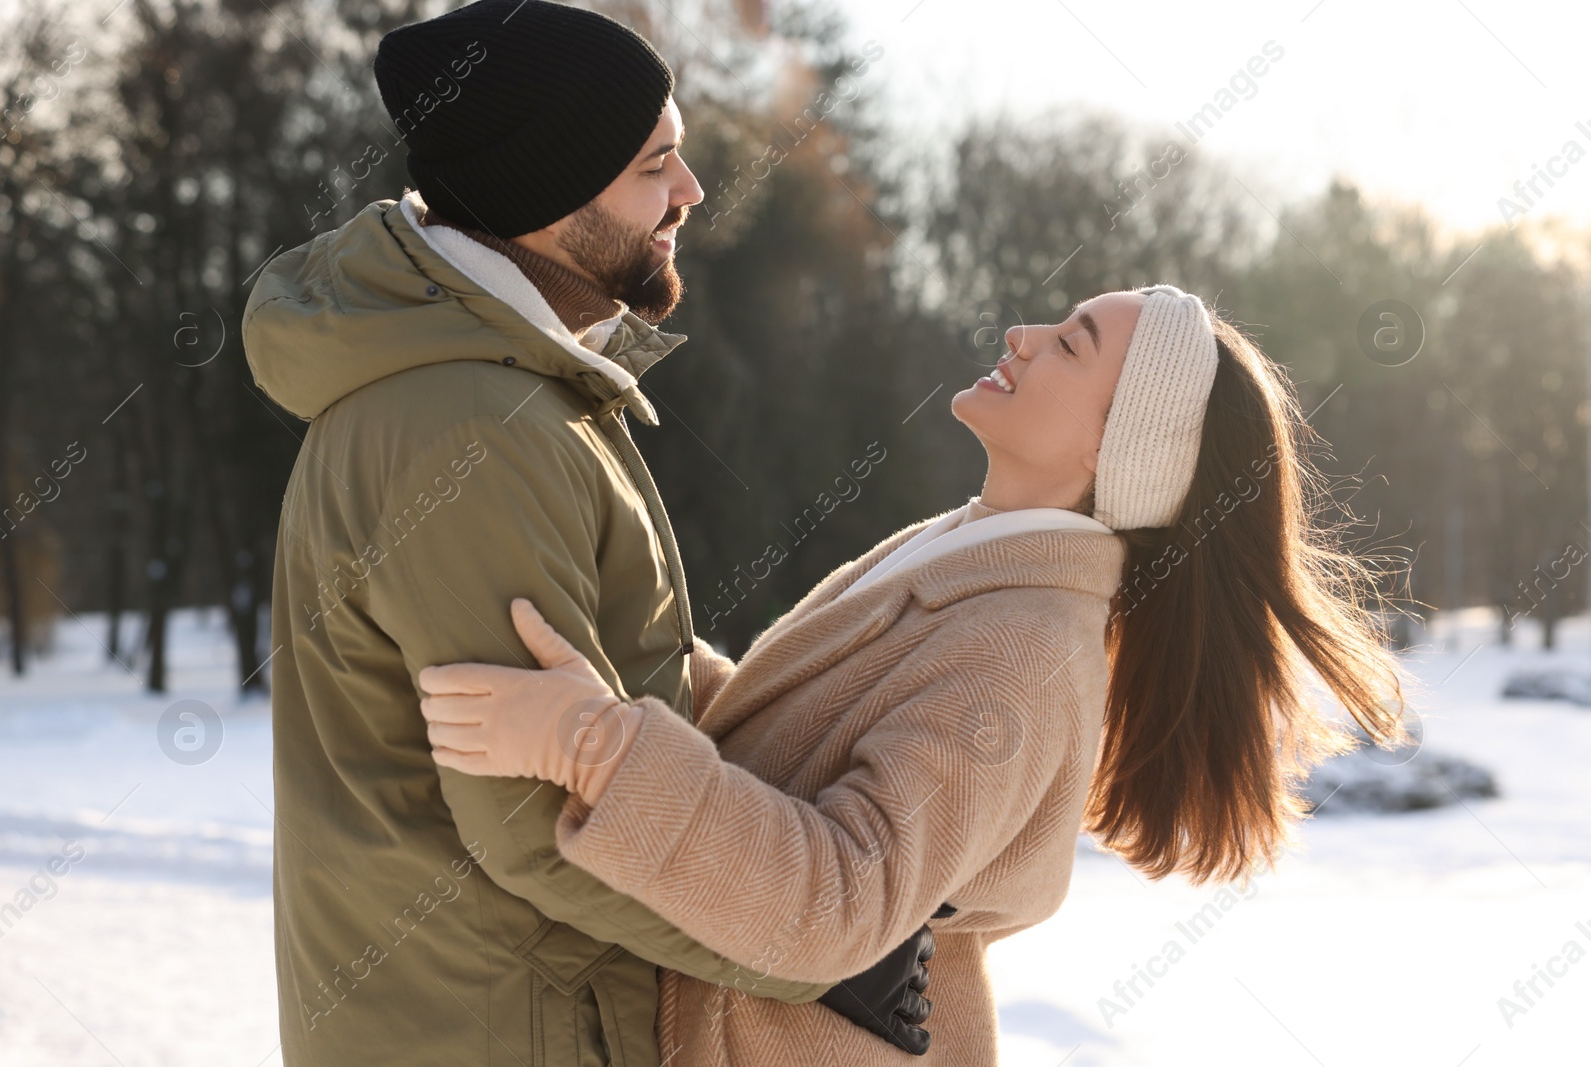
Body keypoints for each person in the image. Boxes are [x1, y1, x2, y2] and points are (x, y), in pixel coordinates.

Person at [420, 284, 1411, 1064]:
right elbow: (797, 754)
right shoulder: (967, 551)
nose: (1022, 332)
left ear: (1115, 446)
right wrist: (661, 669)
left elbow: (838, 901)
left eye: (1069, 342)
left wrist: (591, 743)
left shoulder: (1022, 650)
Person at [243, 2, 933, 1063]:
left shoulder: (502, 396)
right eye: (655, 164)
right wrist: (825, 952)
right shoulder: (470, 427)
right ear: (547, 189)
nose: (691, 192)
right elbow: (538, 822)